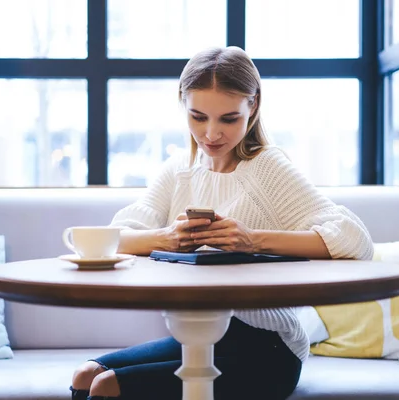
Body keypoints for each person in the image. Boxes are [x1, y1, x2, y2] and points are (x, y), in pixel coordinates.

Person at [70, 46, 374, 400]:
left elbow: (356, 241)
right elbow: (115, 238)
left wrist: (253, 240)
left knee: (108, 386)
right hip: (198, 333)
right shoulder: (179, 171)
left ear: (253, 106)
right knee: (85, 375)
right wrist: (166, 238)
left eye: (228, 119)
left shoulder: (266, 168)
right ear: (182, 104)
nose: (211, 134)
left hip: (267, 348)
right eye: (198, 117)